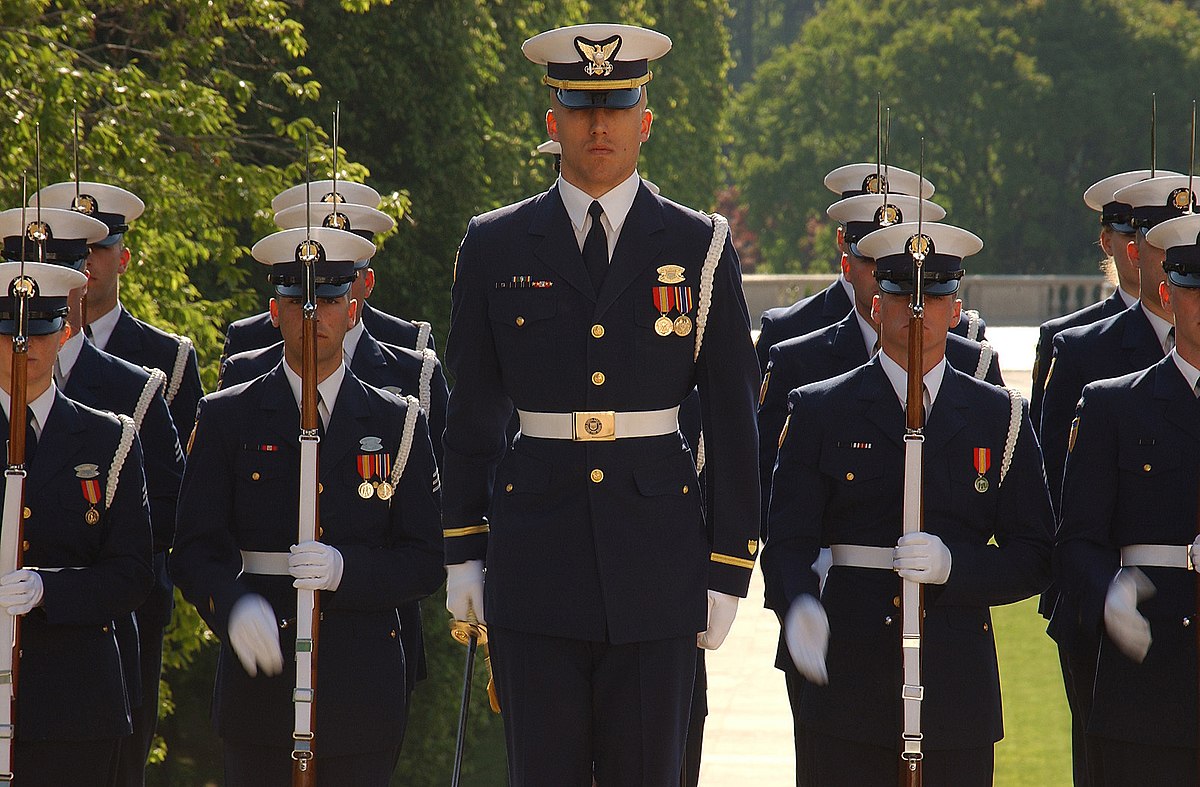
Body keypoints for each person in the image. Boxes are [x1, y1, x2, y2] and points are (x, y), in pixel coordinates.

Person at [442, 23, 760, 785]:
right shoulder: (494, 244)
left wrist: (727, 565)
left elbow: (734, 420)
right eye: (580, 108)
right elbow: (473, 414)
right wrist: (462, 547)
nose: (597, 126)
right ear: (552, 122)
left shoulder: (700, 245)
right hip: (534, 561)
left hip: (657, 564)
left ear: (644, 122)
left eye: (614, 108)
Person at [762, 221, 1052, 786]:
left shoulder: (998, 415)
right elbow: (789, 540)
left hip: (954, 689)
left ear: (956, 308)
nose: (917, 310)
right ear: (875, 304)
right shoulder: (822, 410)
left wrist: (956, 567)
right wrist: (796, 603)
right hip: (851, 680)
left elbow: (1037, 552)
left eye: (935, 295)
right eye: (900, 294)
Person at [170, 225, 444, 785]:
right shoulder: (227, 417)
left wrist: (349, 569)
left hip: (361, 687)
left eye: (328, 299)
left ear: (352, 308)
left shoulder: (399, 421)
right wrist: (232, 603)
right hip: (259, 689)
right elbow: (195, 548)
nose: (313, 314)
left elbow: (423, 558)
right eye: (297, 300)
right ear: (274, 311)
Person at [0, 204, 183, 787]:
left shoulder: (109, 438)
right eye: (9, 332)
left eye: (42, 331)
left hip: (76, 703)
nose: (23, 347)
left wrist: (50, 589)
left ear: (67, 332)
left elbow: (132, 571)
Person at [1056, 208, 1200, 783]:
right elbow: (1077, 541)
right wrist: (1110, 593)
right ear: (1166, 293)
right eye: (1193, 290)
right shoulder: (1115, 404)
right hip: (1145, 678)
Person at [31, 181, 204, 443]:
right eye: (66, 255)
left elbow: (180, 476)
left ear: (123, 260)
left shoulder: (168, 356)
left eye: (99, 247)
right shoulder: (16, 351)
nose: (85, 261)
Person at [222, 180, 436, 361]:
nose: (316, 301)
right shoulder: (248, 340)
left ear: (368, 282)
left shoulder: (408, 343)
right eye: (308, 281)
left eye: (343, 278)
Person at [1029, 170, 1171, 428]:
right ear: (1108, 242)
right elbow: (1051, 457)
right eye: (1133, 235)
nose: (1161, 253)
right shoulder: (1073, 343)